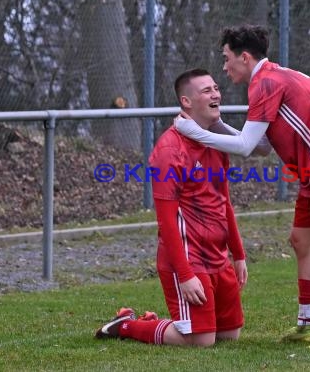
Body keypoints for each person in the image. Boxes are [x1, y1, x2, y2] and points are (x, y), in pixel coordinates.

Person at [174, 25, 310, 349]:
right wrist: (212, 123)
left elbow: (246, 147)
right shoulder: (269, 79)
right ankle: (307, 325)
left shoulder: (265, 82)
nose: (224, 67)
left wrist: (192, 131)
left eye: (226, 58)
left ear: (244, 57)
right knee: (301, 241)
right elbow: (262, 145)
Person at [95, 68, 251, 347]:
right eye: (206, 90)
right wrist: (185, 274)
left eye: (216, 88)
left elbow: (224, 201)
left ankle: (162, 320)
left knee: (229, 334)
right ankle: (128, 325)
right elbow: (167, 222)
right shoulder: (170, 149)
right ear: (186, 102)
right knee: (200, 341)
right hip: (188, 259)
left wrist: (238, 254)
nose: (216, 93)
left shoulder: (215, 142)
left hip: (218, 256)